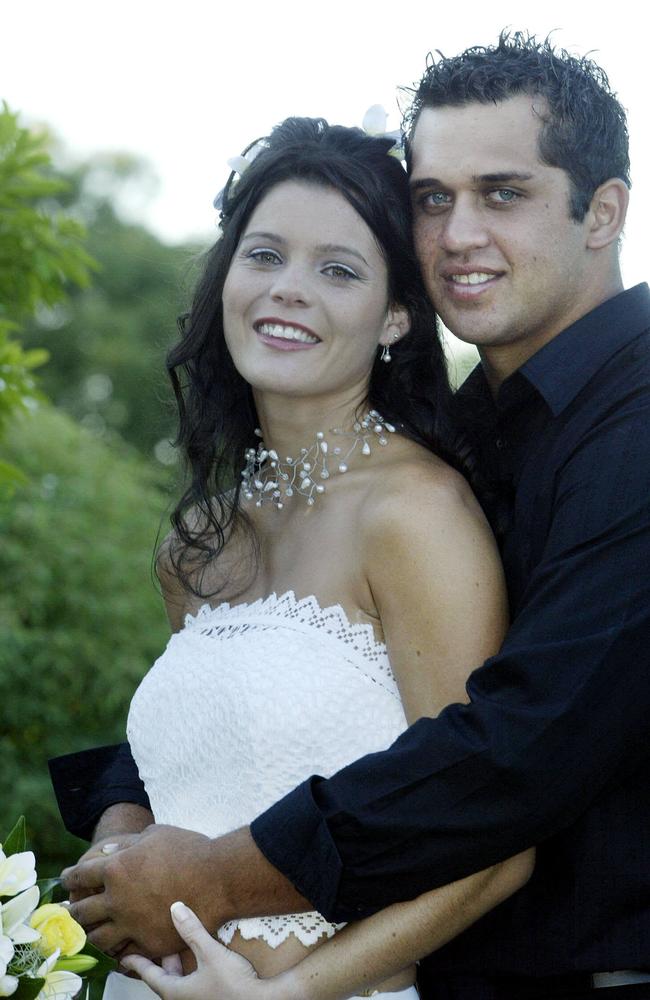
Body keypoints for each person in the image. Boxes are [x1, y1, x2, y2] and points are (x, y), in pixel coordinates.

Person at [55, 31, 650, 1000]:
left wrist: (235, 910)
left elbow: (515, 756)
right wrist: (122, 821)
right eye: (431, 198)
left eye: (500, 192)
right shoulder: (469, 432)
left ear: (602, 211)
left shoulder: (579, 443)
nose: (456, 233)